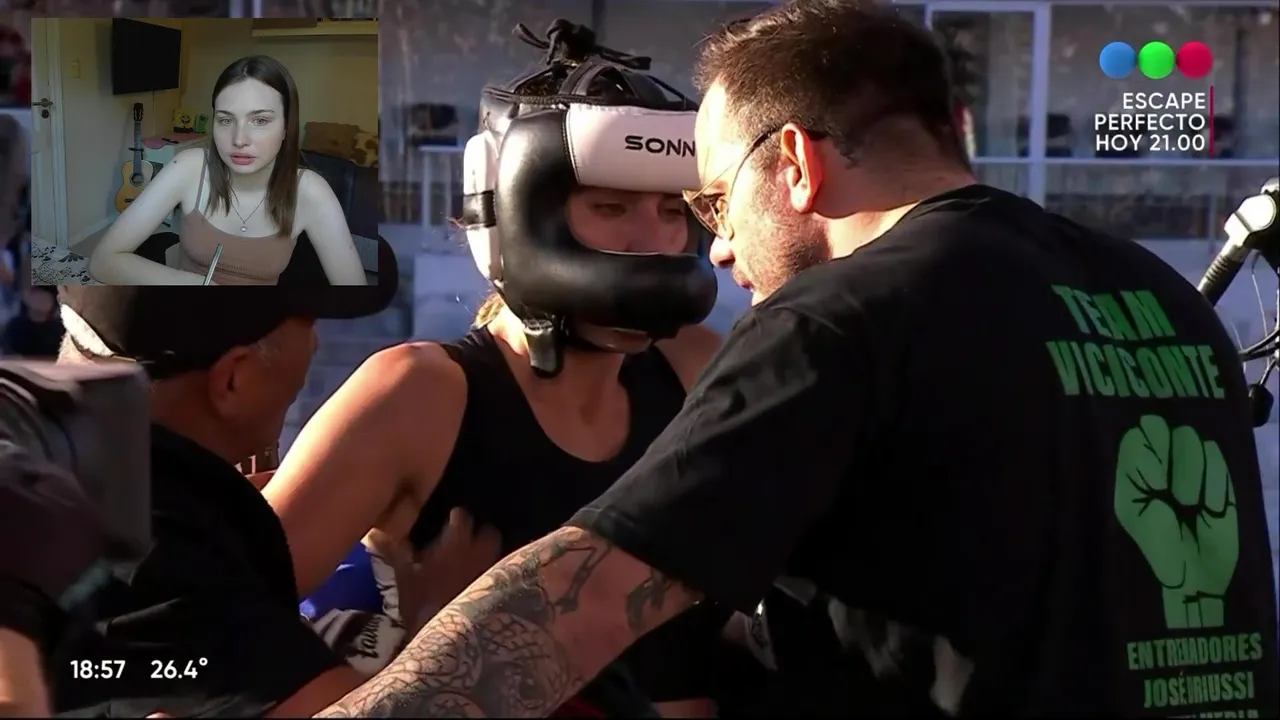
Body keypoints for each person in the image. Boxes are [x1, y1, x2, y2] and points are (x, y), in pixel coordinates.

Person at [312, 2, 1280, 718]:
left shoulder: (841, 318)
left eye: (710, 203)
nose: (717, 249)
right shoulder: (1154, 293)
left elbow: (586, 598)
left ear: (797, 166)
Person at [265, 20, 730, 718]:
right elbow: (214, 629)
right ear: (513, 209)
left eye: (672, 210)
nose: (652, 242)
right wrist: (424, 657)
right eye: (609, 206)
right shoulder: (419, 397)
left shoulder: (695, 369)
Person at [51, 252, 397, 717]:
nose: (316, 345)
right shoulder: (157, 565)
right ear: (233, 380)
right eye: (309, 322)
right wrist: (464, 610)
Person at [88, 55, 366, 286]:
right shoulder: (190, 167)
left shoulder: (311, 191)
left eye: (260, 120)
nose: (239, 139)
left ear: (286, 128)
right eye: (225, 120)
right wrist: (192, 284)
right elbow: (101, 262)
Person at [1, 286, 63, 358]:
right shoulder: (14, 327)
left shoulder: (59, 329)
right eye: (39, 297)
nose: (42, 302)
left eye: (47, 298)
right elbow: (7, 353)